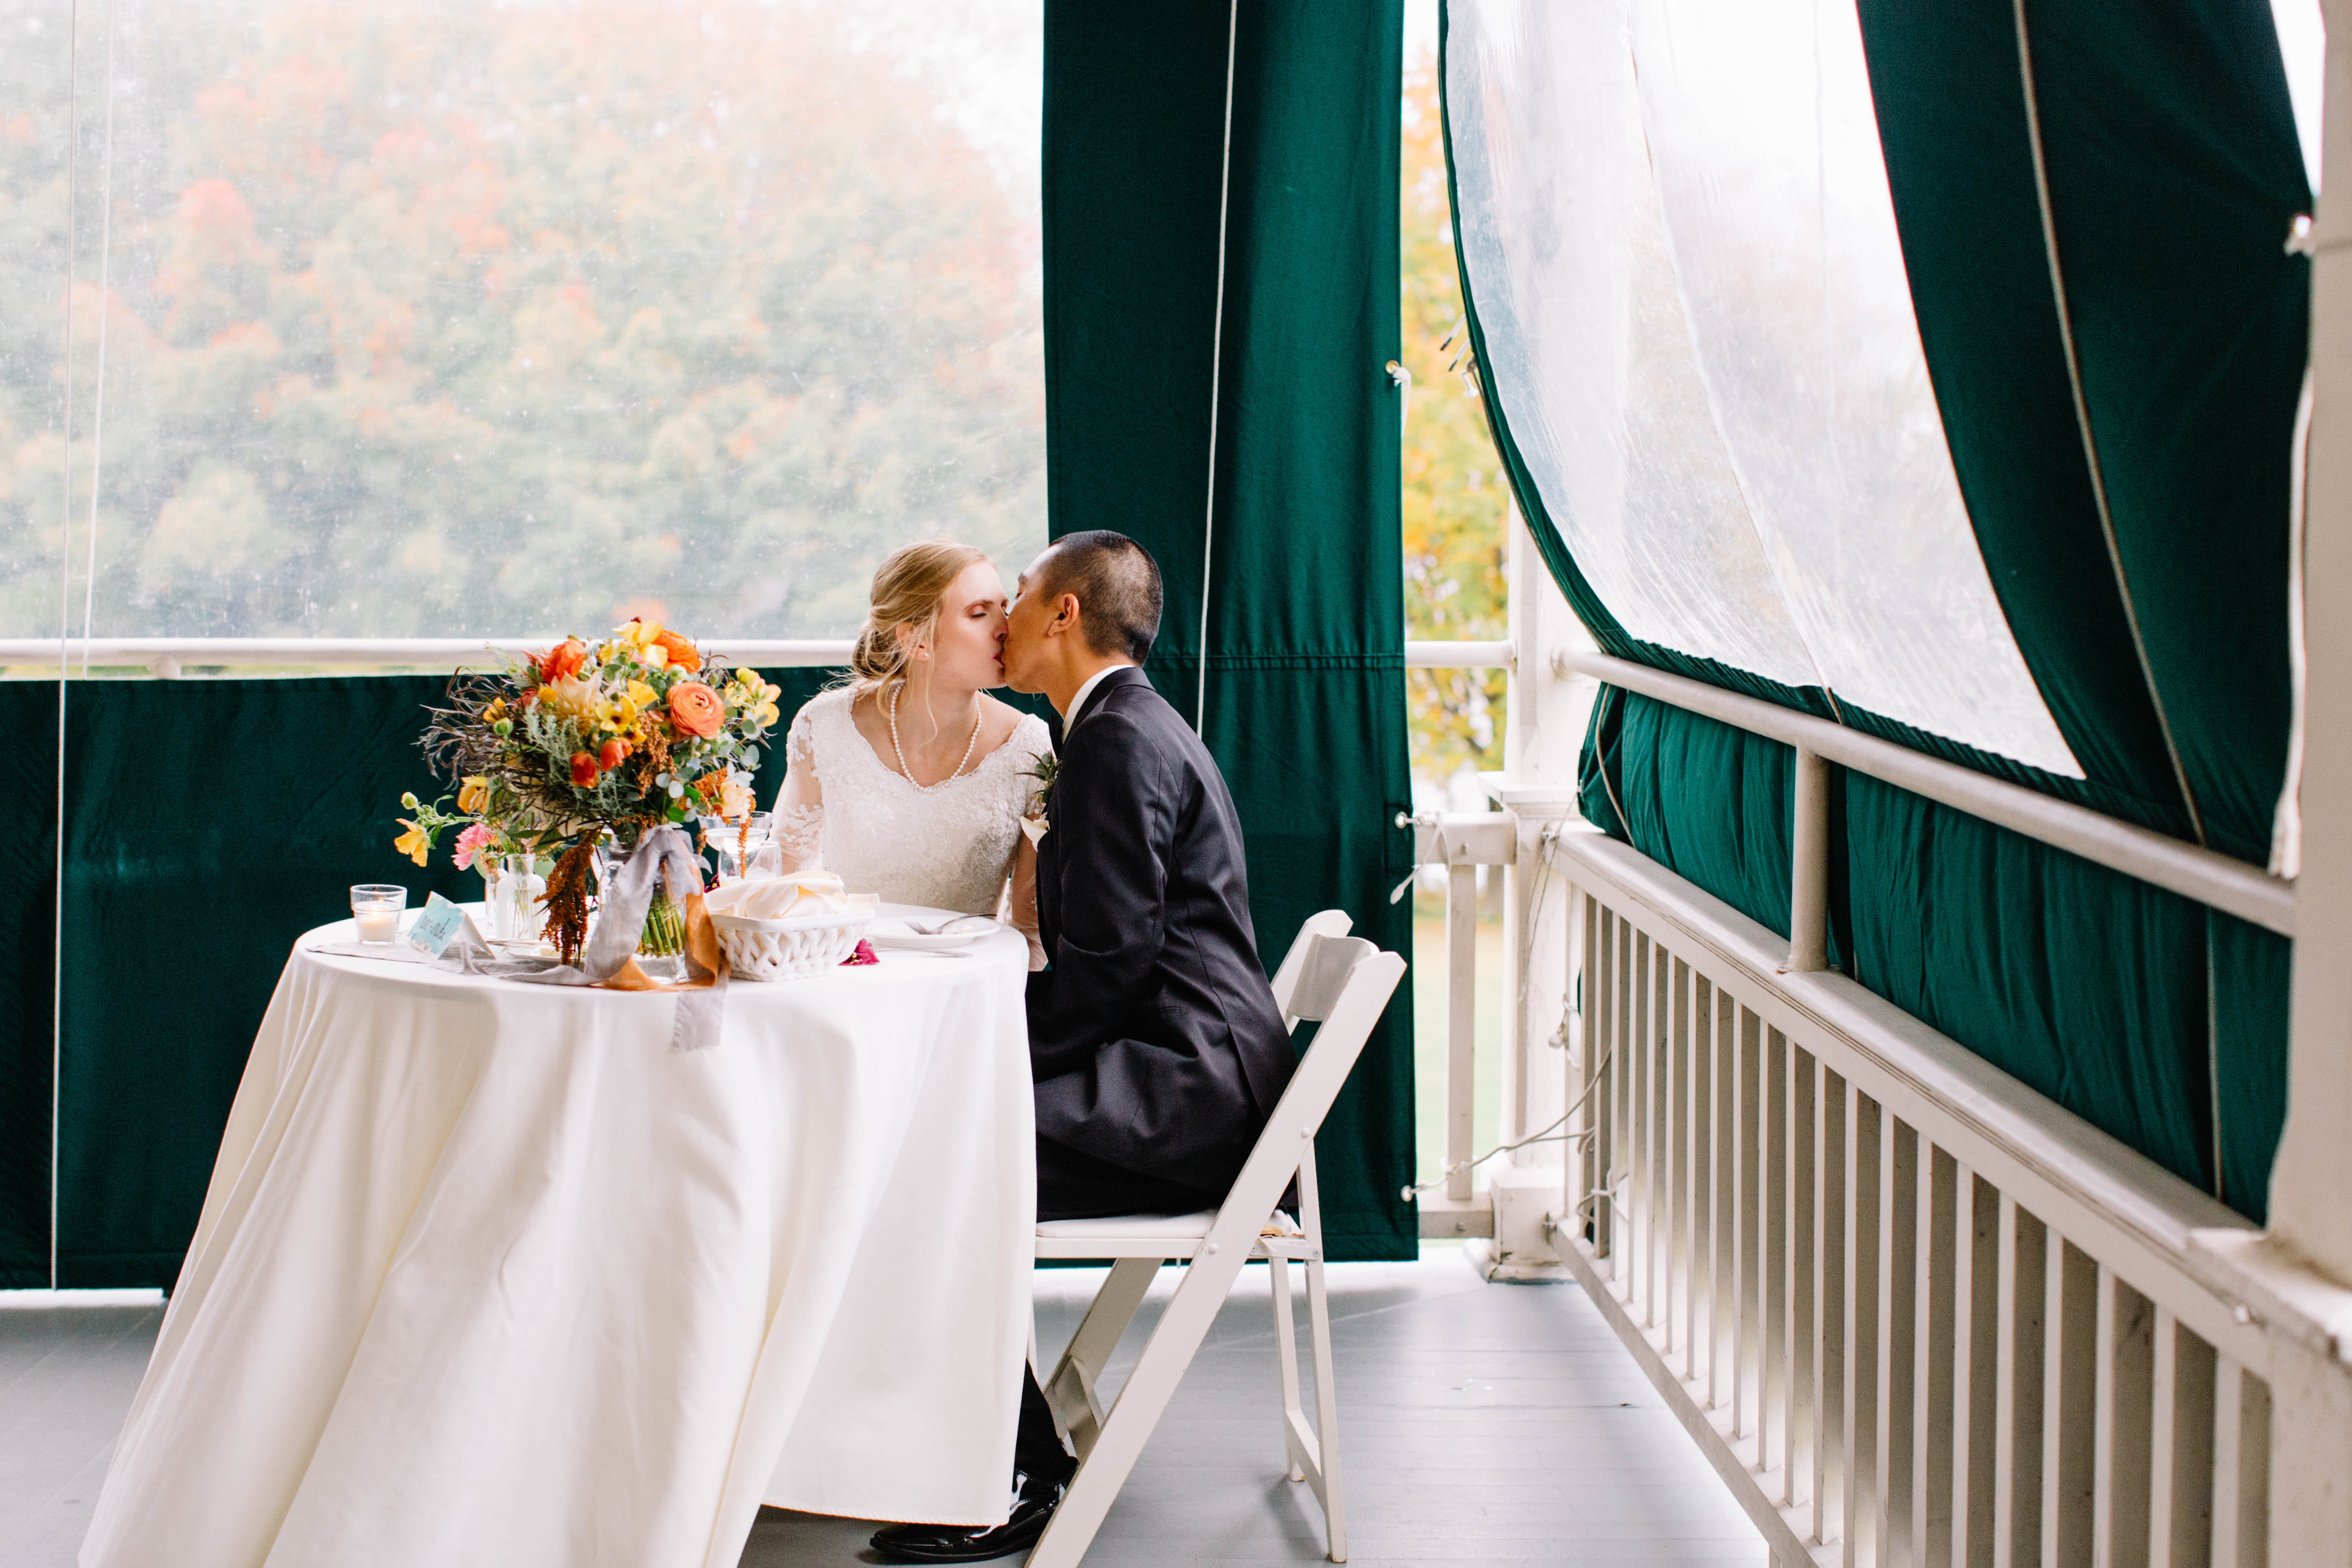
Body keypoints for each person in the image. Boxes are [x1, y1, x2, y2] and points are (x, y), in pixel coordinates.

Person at [869, 531, 1295, 1565]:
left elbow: (1104, 971)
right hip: (1189, 1071)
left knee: (918, 1170)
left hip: (1183, 1095)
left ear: (1063, 613)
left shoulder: (1111, 739)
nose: (1004, 614)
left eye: (1016, 595)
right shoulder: (1119, 725)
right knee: (916, 1153)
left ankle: (1014, 1472)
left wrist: (972, 1062)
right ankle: (986, 1447)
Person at [772, 540, 1051, 964]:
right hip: (843, 977)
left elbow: (1029, 930)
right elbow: (783, 880)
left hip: (965, 991)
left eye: (1003, 607)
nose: (1005, 627)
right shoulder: (824, 727)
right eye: (979, 613)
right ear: (916, 640)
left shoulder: (1032, 749)